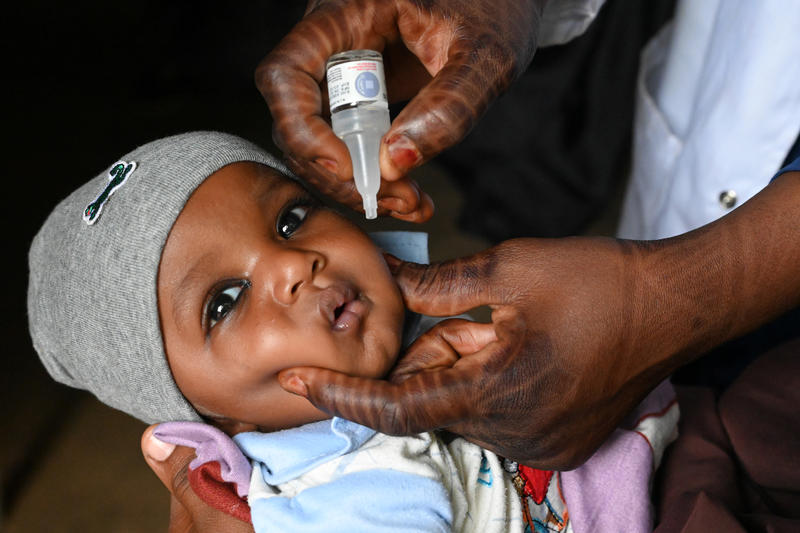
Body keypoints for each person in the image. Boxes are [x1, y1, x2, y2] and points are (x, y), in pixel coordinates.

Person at [28, 131, 679, 532]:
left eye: (290, 219)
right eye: (224, 301)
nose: (292, 264)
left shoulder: (460, 342)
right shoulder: (337, 500)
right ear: (205, 420)